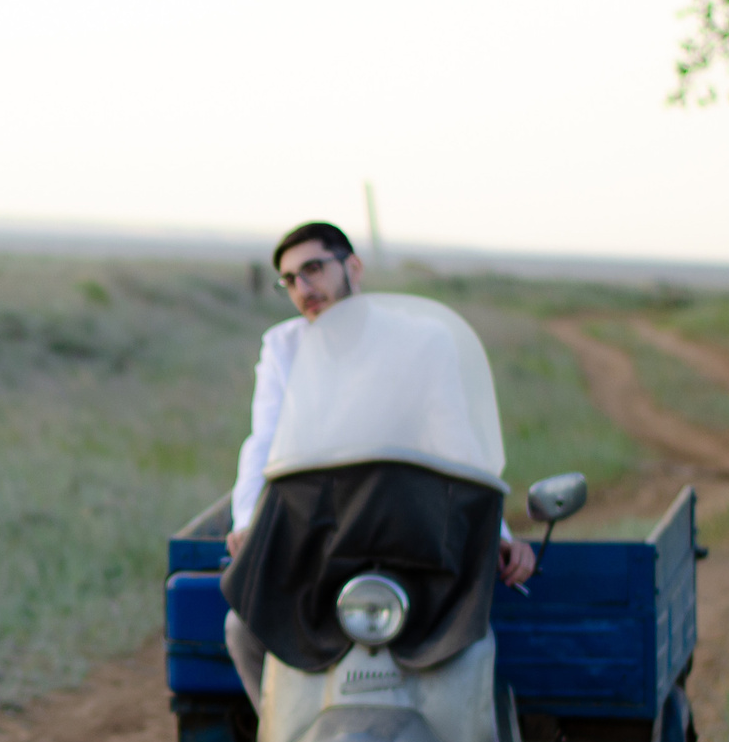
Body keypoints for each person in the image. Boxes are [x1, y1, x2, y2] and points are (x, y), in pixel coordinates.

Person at [222, 220, 536, 715]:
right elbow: (263, 440)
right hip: (320, 533)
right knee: (243, 629)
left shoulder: (420, 341)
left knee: (464, 635)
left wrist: (495, 529)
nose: (303, 288)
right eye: (290, 280)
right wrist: (245, 521)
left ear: (353, 267)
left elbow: (453, 438)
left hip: (410, 530)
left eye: (313, 269)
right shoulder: (283, 347)